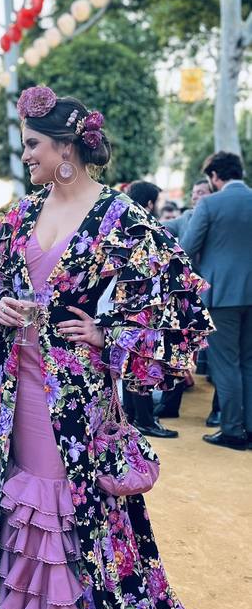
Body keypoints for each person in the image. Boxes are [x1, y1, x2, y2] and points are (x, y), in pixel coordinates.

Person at [0, 86, 212, 609]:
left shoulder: (120, 218)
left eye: (34, 145)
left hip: (80, 398)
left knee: (76, 506)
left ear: (66, 149)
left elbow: (181, 301)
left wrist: (110, 334)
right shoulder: (17, 217)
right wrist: (1, 307)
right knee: (30, 504)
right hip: (21, 388)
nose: (27, 156)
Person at [182, 151, 252, 450]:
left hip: (222, 294)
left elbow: (185, 249)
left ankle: (233, 431)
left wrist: (205, 274)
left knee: (226, 364)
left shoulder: (210, 204)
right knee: (249, 362)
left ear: (214, 177)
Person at [124, 181, 179, 438]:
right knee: (143, 360)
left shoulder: (121, 225)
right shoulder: (147, 228)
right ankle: (145, 420)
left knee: (129, 360)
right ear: (149, 203)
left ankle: (134, 416)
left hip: (123, 306)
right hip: (145, 306)